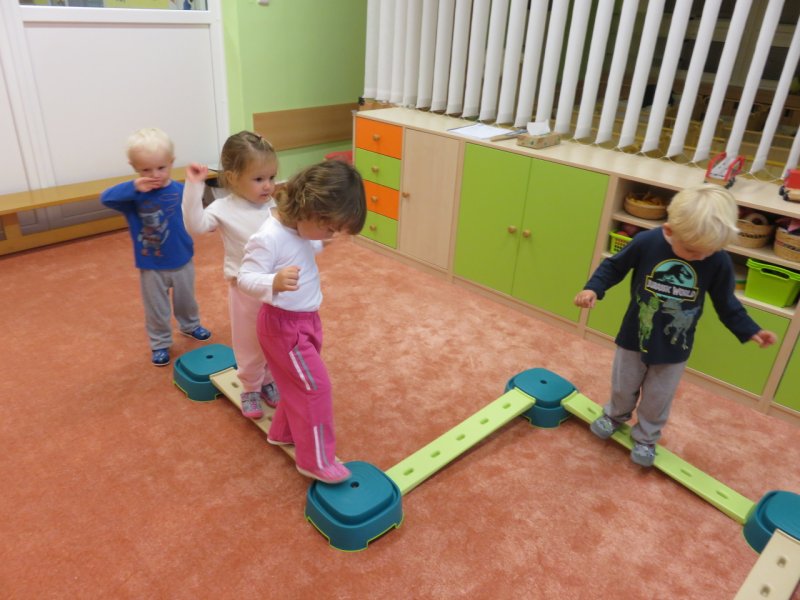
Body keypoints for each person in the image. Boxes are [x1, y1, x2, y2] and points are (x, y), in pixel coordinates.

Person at [574, 183, 777, 467]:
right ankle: (614, 415)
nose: (700, 257)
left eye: (708, 251)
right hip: (635, 334)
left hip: (674, 345)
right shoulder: (647, 242)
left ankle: (646, 438)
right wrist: (593, 288)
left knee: (658, 397)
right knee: (623, 385)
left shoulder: (717, 260)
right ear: (669, 230)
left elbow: (726, 302)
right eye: (693, 250)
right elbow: (614, 267)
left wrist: (750, 329)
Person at [238, 160, 366, 484]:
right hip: (284, 328)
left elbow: (305, 245)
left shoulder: (300, 229)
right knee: (315, 388)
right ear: (309, 210)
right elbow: (245, 277)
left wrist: (321, 241)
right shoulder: (269, 237)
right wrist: (273, 281)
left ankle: (282, 432)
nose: (332, 235)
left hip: (306, 322)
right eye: (330, 227)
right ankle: (315, 461)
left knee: (296, 384)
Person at [182, 131, 280, 420]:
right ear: (233, 177)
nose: (268, 185)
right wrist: (194, 186)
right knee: (249, 342)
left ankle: (269, 379)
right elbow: (195, 225)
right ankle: (250, 387)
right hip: (245, 290)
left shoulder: (271, 205)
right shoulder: (222, 208)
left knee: (274, 339)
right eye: (259, 179)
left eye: (272, 177)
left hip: (274, 287)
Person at [101, 127, 211, 367]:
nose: (155, 175)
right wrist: (134, 186)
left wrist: (198, 187)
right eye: (146, 170)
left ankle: (190, 325)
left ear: (171, 162)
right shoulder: (133, 196)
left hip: (182, 259)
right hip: (151, 264)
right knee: (156, 307)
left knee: (186, 300)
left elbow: (196, 210)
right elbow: (106, 198)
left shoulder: (180, 190)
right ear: (135, 168)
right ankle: (160, 342)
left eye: (161, 167)